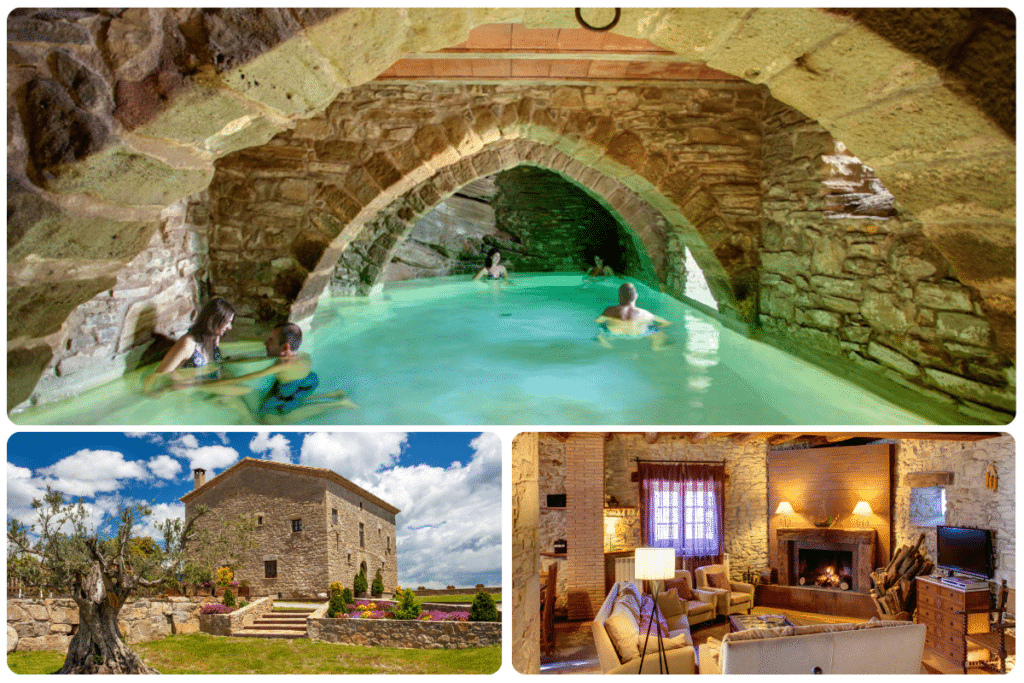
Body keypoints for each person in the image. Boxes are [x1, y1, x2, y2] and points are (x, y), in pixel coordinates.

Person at [204, 323, 357, 424]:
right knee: (293, 398)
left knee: (271, 419)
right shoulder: (301, 354)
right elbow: (258, 357)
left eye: (270, 340)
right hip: (306, 382)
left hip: (289, 390)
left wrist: (199, 384)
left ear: (284, 347)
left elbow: (246, 377)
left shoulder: (280, 366)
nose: (265, 342)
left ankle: (339, 403)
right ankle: (332, 394)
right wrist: (227, 362)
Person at [143, 297, 235, 393]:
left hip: (206, 393)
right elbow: (155, 378)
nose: (230, 327)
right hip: (186, 399)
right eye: (227, 322)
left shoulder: (213, 340)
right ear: (213, 320)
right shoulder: (187, 344)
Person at [595, 282, 671, 350]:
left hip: (612, 333)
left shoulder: (610, 310)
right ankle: (656, 346)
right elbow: (666, 323)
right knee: (657, 330)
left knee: (602, 326)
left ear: (619, 297)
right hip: (638, 334)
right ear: (636, 296)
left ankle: (603, 341)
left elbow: (597, 321)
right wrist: (657, 326)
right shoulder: (644, 313)